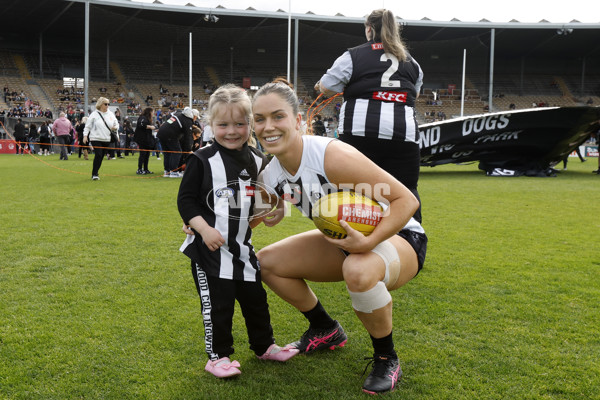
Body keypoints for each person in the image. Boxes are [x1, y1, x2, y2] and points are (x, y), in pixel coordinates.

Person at [251, 79, 427, 395]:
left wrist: (369, 242)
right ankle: (325, 328)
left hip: (399, 236)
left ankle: (386, 357)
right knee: (265, 262)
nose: (268, 126)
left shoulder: (330, 155)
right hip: (346, 242)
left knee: (358, 271)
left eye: (278, 116)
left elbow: (407, 202)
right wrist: (203, 224)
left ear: (299, 120)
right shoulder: (271, 172)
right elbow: (254, 217)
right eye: (259, 119)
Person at [177, 84, 299, 379]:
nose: (231, 131)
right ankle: (218, 356)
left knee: (256, 302)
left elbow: (275, 191)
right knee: (218, 308)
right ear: (210, 125)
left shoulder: (259, 158)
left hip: (243, 251)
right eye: (223, 125)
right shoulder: (202, 159)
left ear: (251, 124)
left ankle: (264, 345)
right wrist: (203, 228)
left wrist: (280, 208)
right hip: (209, 252)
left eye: (240, 124)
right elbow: (186, 200)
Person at [315, 8, 424, 223]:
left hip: (360, 132)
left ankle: (349, 245)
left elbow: (327, 86)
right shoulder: (413, 63)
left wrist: (320, 86)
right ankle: (410, 245)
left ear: (369, 29)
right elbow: (416, 93)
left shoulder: (353, 55)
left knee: (353, 193)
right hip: (403, 135)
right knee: (406, 191)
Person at [83, 97, 119, 180]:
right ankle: (94, 174)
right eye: (105, 104)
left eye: (108, 104)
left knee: (101, 156)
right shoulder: (94, 114)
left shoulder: (110, 114)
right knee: (98, 155)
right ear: (100, 104)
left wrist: (115, 128)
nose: (107, 106)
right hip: (95, 138)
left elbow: (116, 123)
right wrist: (85, 136)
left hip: (106, 138)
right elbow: (87, 126)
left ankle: (96, 172)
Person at [157, 106, 195, 178]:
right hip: (170, 135)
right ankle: (174, 172)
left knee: (167, 152)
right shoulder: (187, 121)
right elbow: (188, 137)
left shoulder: (178, 115)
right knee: (177, 152)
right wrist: (189, 150)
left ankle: (167, 171)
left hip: (161, 133)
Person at [134, 107, 156, 175]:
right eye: (152, 112)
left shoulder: (147, 119)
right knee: (143, 154)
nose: (153, 114)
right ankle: (139, 169)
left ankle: (146, 169)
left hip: (147, 140)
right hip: (142, 139)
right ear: (149, 112)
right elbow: (141, 125)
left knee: (147, 155)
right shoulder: (142, 118)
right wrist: (150, 127)